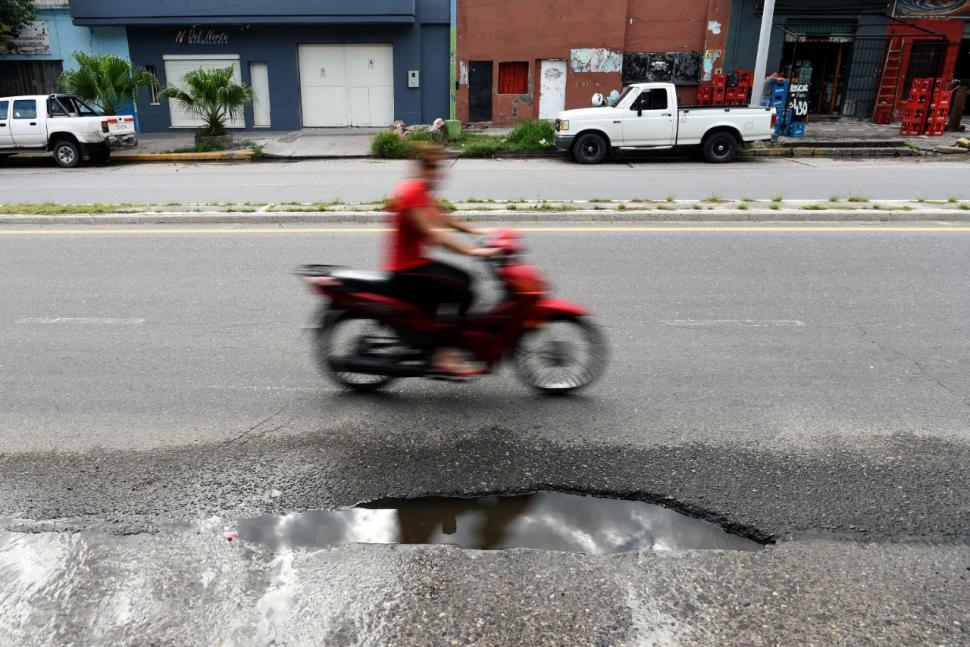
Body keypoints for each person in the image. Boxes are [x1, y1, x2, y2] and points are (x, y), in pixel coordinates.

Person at [384, 143, 498, 376]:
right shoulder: (413, 191)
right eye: (439, 169)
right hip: (407, 270)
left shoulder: (421, 190)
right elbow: (431, 233)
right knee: (462, 288)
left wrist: (480, 233)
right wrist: (472, 252)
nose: (442, 174)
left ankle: (442, 341)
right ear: (428, 169)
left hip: (414, 265)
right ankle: (444, 353)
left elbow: (444, 220)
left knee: (463, 280)